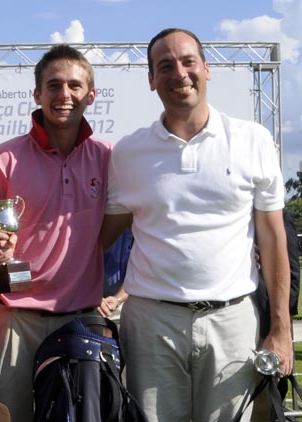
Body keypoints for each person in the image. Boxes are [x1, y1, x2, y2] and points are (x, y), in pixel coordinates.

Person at [102, 28, 293, 421]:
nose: (179, 74)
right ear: (151, 79)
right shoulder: (128, 152)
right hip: (151, 323)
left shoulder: (252, 140)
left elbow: (274, 240)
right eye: (165, 66)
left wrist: (281, 328)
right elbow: (100, 236)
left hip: (232, 320)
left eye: (188, 62)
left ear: (207, 69)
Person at [0, 44, 112, 421]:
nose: (64, 95)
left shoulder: (108, 157)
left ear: (91, 95)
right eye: (53, 86)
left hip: (81, 319)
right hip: (14, 319)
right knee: (8, 416)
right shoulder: (3, 158)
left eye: (74, 85)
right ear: (37, 94)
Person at [251, 207, 300, 420]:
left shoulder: (279, 215)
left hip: (263, 326)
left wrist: (283, 332)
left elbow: (291, 278)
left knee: (261, 406)